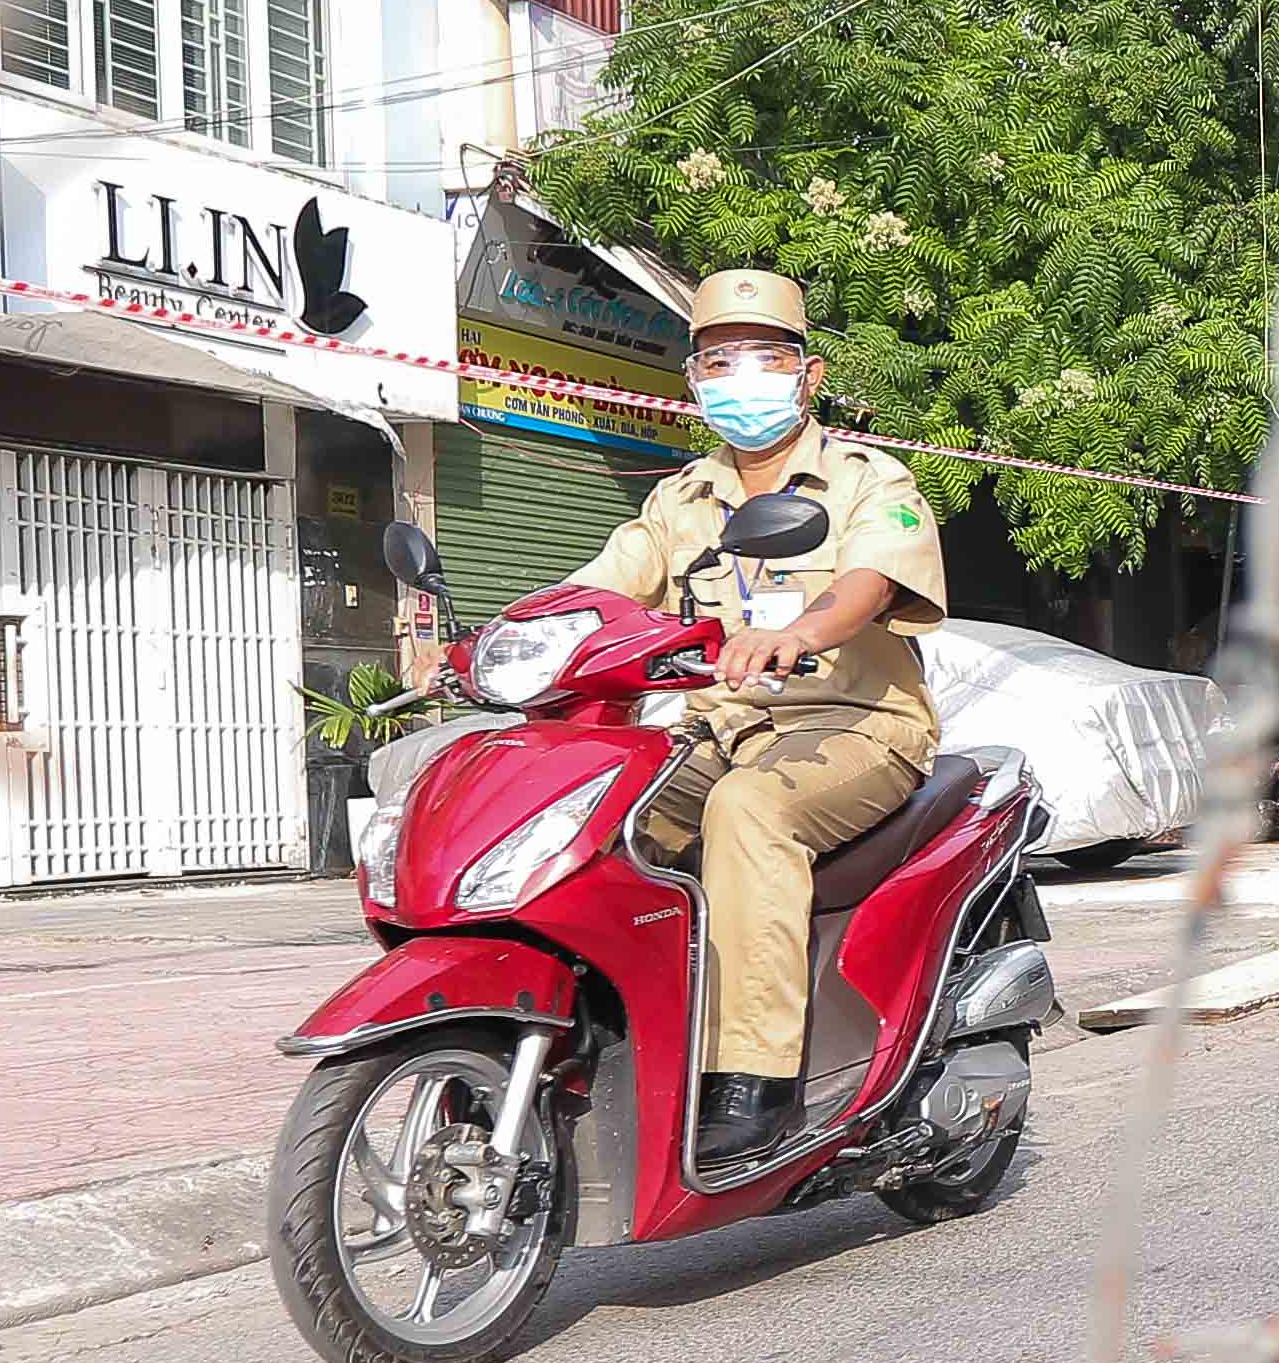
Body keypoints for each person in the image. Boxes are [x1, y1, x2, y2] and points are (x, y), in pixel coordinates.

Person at [400, 266, 947, 1164]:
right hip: (717, 731)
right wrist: (485, 647)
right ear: (693, 385)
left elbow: (869, 582)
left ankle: (755, 1078)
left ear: (807, 376)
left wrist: (800, 630)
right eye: (720, 360)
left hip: (855, 727)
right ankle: (590, 1036)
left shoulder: (862, 478)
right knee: (594, 823)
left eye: (763, 357)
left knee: (750, 814)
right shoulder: (680, 499)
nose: (741, 377)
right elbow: (594, 590)